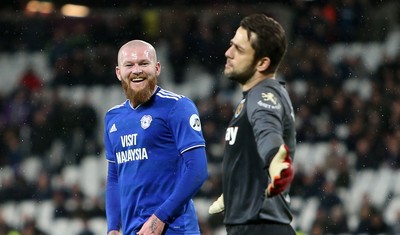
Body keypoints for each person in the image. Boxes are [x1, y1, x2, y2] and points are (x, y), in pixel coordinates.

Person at [104, 40, 208, 235]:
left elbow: (198, 169)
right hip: (133, 230)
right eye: (129, 65)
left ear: (157, 68)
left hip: (174, 228)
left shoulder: (178, 107)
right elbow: (114, 178)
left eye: (144, 63)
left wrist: (161, 217)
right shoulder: (112, 118)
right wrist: (112, 228)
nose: (137, 70)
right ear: (119, 72)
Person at [208, 14, 297, 235]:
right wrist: (234, 192)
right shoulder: (254, 97)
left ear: (262, 63)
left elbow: (267, 130)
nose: (228, 53)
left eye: (238, 50)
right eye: (231, 45)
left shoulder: (262, 94)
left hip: (259, 227)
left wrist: (276, 160)